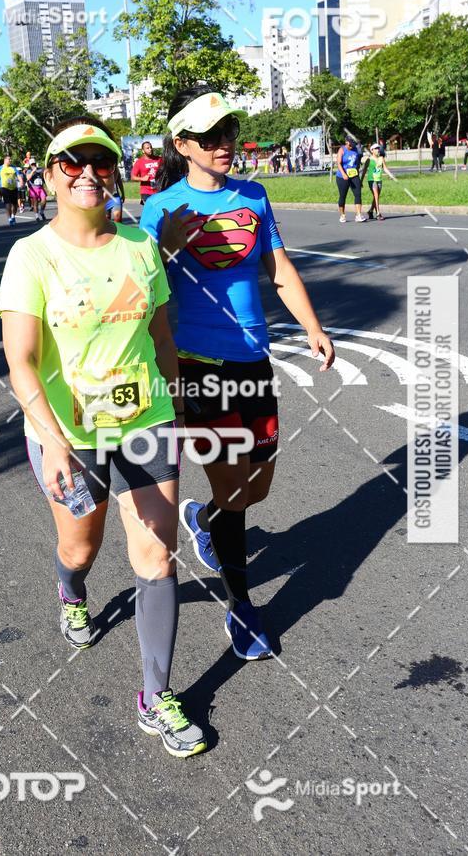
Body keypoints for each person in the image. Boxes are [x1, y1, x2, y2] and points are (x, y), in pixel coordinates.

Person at [0, 116, 206, 758]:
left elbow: (163, 336)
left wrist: (178, 406)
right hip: (71, 433)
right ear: (50, 173)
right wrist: (52, 438)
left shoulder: (142, 246)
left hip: (145, 422)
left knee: (155, 556)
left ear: (116, 170)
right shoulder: (31, 255)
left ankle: (155, 694)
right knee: (80, 545)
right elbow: (22, 361)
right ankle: (71, 589)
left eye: (100, 161)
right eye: (71, 162)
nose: (87, 172)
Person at [139, 85, 335, 660]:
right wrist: (166, 248)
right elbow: (141, 292)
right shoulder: (161, 208)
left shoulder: (254, 196)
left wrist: (313, 327)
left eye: (228, 132)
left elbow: (278, 270)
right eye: (210, 137)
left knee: (256, 487)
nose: (225, 144)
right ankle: (241, 604)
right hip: (199, 365)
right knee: (234, 487)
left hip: (255, 359)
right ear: (183, 145)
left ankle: (206, 518)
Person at [336, 136, 366, 223]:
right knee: (342, 196)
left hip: (354, 175)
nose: (352, 145)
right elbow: (338, 163)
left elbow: (357, 164)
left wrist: (358, 177)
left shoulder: (356, 150)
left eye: (354, 144)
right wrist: (343, 174)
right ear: (347, 142)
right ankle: (342, 215)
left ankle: (358, 215)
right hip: (342, 176)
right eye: (351, 143)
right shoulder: (342, 150)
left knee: (358, 194)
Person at [360, 143, 393, 221]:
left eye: (378, 148)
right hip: (372, 180)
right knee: (376, 195)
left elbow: (385, 168)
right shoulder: (369, 160)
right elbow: (364, 171)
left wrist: (390, 175)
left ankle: (370, 211)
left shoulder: (381, 158)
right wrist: (361, 181)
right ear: (372, 150)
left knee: (376, 196)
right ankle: (378, 213)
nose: (378, 150)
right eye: (376, 148)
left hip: (379, 180)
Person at [0, 155, 18, 225]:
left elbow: (18, 176)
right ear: (5, 160)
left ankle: (13, 216)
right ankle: (10, 219)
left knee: (15, 204)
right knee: (8, 203)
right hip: (4, 188)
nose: (10, 160)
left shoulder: (13, 168)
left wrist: (21, 181)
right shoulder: (0, 168)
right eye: (9, 159)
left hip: (14, 188)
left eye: (10, 159)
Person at [131, 141, 162, 206]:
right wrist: (142, 178)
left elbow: (166, 170)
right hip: (146, 191)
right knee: (150, 210)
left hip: (158, 190)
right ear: (143, 151)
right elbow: (133, 177)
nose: (150, 149)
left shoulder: (159, 159)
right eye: (147, 148)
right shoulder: (139, 162)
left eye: (151, 147)